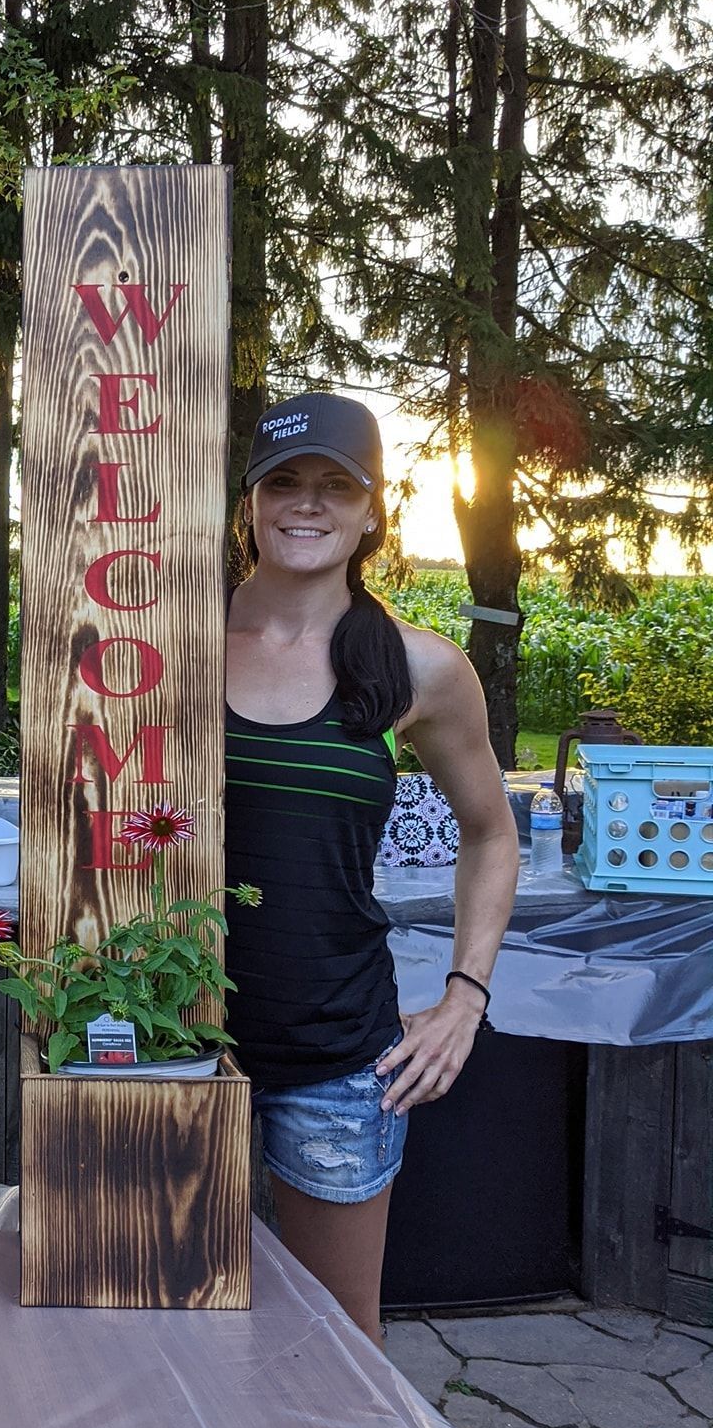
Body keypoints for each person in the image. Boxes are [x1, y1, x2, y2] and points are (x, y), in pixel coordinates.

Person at [224, 393, 518, 1345]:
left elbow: (491, 832)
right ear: (250, 503)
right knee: (164, 1321)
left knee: (336, 1341)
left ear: (372, 510)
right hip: (171, 1042)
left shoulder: (415, 668)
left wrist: (465, 996)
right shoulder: (170, 645)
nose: (307, 505)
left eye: (335, 486)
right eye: (284, 482)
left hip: (335, 1056)